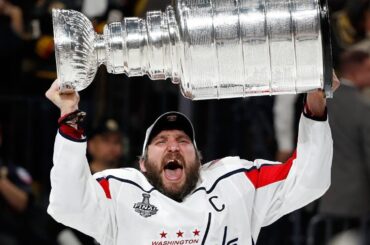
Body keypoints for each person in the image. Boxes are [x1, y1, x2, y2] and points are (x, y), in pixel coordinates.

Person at [45, 75, 339, 245]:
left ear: (199, 159)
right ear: (143, 164)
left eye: (183, 141)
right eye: (161, 141)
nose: (173, 146)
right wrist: (69, 116)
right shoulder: (120, 189)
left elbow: (308, 180)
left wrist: (315, 100)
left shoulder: (234, 181)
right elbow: (67, 204)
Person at [318, 50, 370, 244]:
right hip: (354, 200)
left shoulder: (321, 101)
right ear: (357, 71)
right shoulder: (362, 107)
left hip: (317, 193)